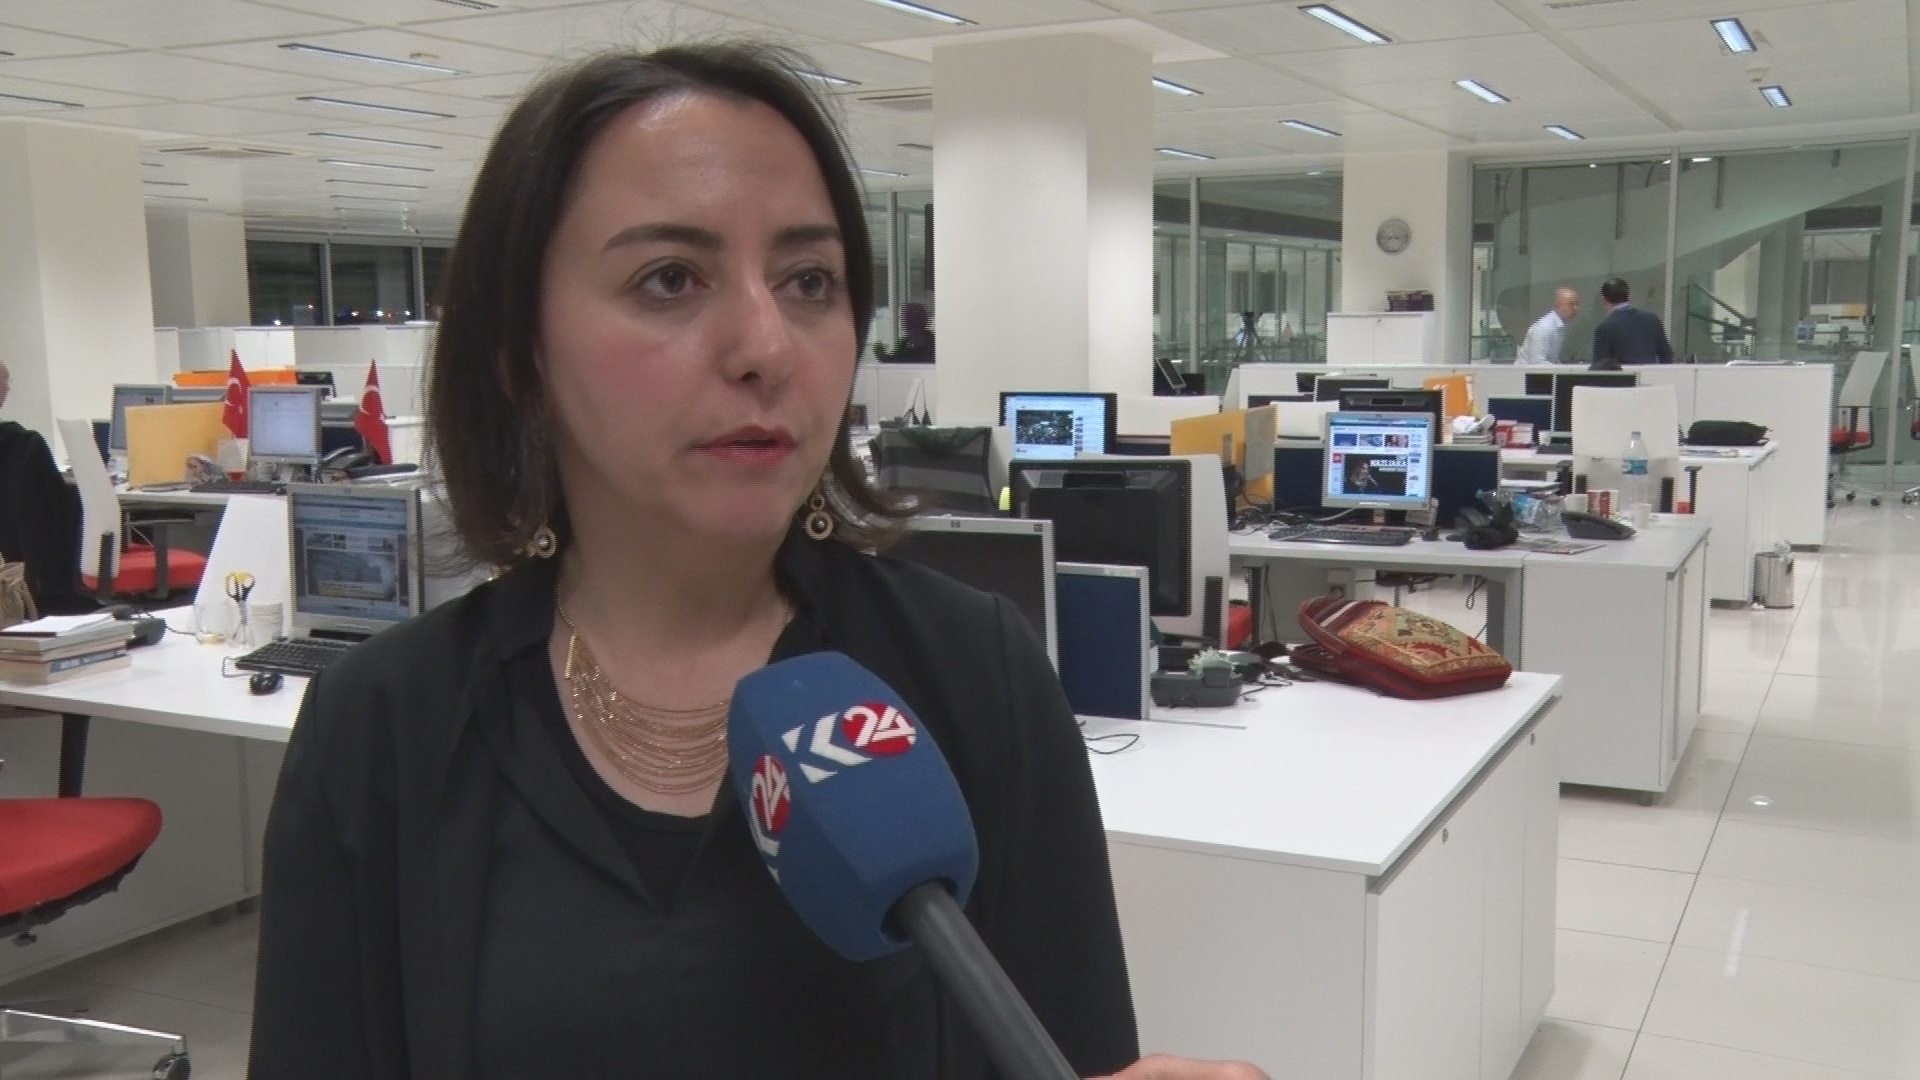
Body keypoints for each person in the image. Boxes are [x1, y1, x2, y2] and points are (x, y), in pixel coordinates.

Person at [247, 44, 1263, 1080]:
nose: (767, 346)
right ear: (521, 355)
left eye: (809, 281)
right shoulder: (382, 729)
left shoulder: (976, 676)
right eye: (670, 280)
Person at [1589, 277, 1672, 370]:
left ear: (1604, 300)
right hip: (1650, 376)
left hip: (1623, 378)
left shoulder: (1604, 328)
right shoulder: (1652, 320)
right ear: (1629, 295)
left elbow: (1599, 366)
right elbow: (1667, 357)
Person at [1515, 287, 1578, 365]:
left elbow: (1553, 360)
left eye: (1577, 304)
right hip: (1523, 372)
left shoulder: (1559, 326)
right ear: (1558, 305)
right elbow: (1538, 363)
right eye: (1571, 304)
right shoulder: (1544, 327)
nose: (1575, 308)